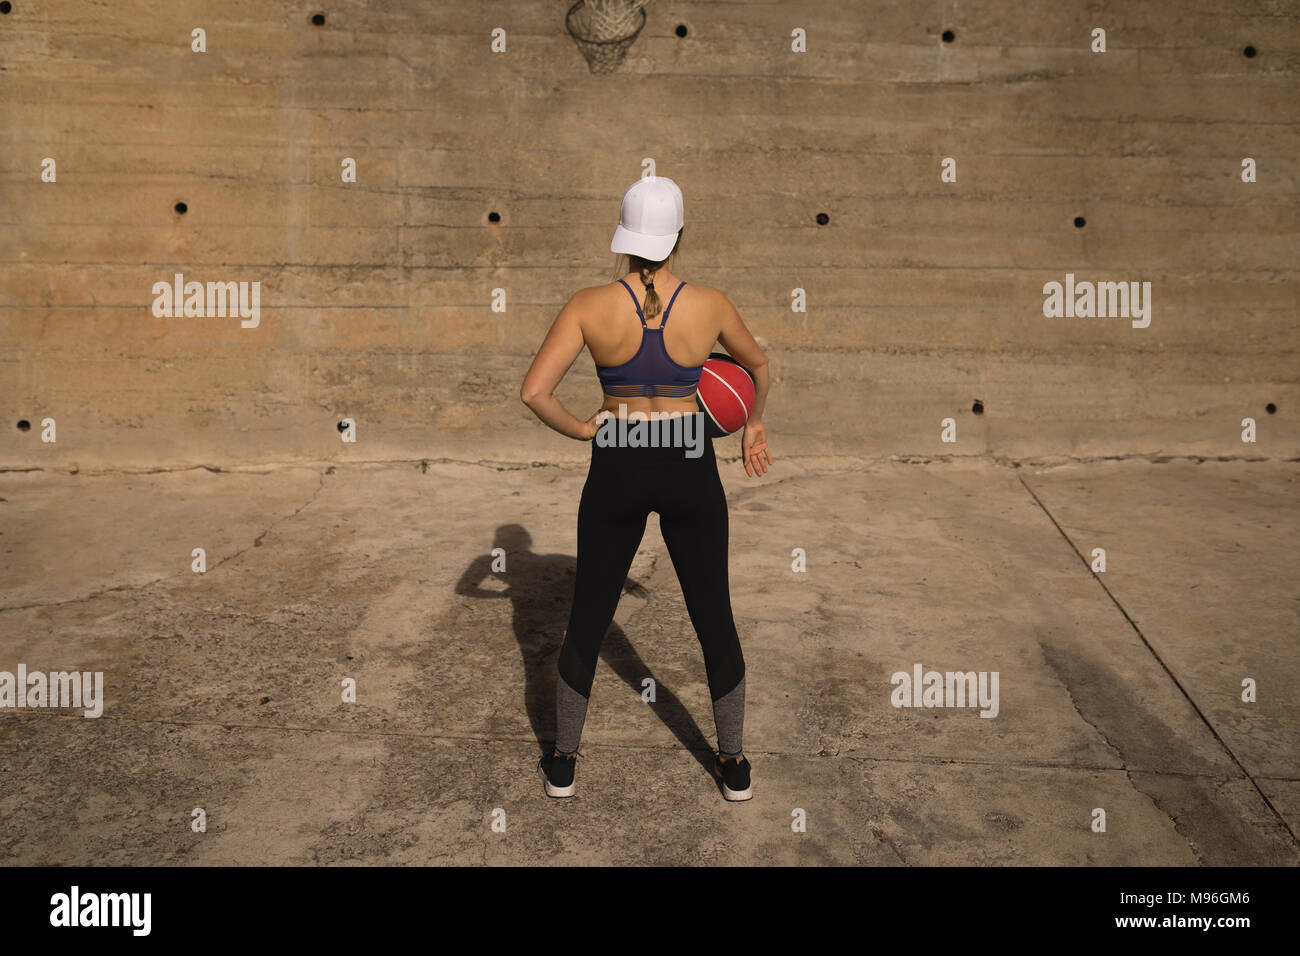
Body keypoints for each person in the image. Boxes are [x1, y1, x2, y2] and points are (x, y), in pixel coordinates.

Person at [520, 176, 772, 801]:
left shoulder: (588, 304)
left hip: (617, 459)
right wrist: (753, 424)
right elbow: (760, 366)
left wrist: (584, 429)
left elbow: (533, 392)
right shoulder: (710, 303)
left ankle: (564, 763)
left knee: (587, 618)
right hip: (689, 459)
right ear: (679, 235)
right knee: (713, 613)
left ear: (625, 239)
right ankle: (734, 764)